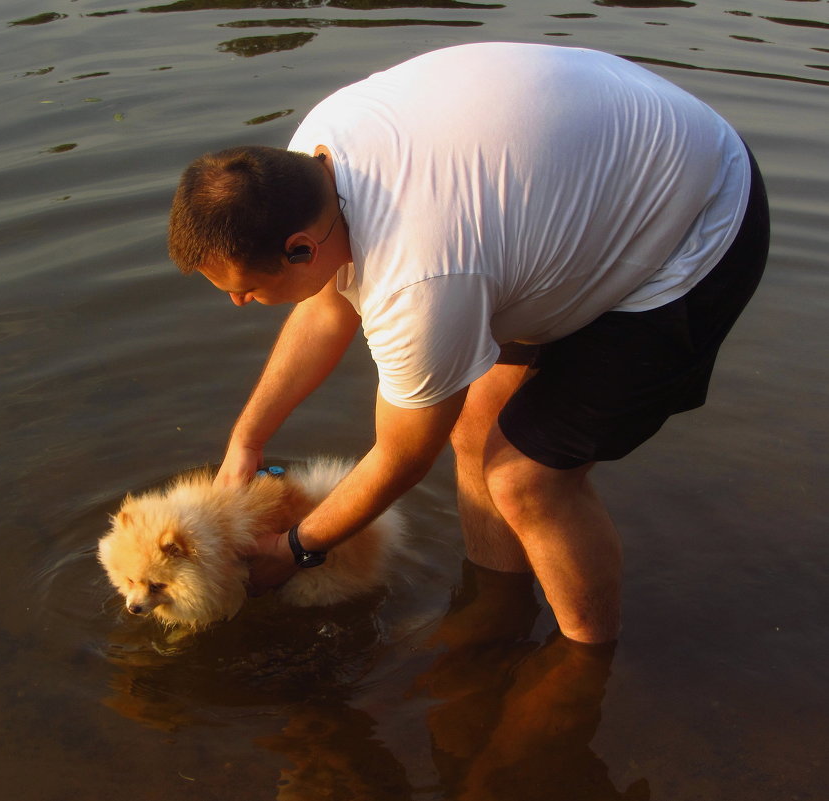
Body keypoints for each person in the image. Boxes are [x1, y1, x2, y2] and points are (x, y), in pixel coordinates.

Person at [166, 42, 770, 644]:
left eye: (246, 288)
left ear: (299, 247)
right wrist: (247, 443)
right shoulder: (307, 163)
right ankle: (497, 608)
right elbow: (327, 303)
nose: (237, 302)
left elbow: (402, 457)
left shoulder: (419, 280)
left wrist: (296, 548)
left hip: (693, 225)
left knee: (526, 479)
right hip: (594, 173)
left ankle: (582, 664)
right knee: (475, 426)